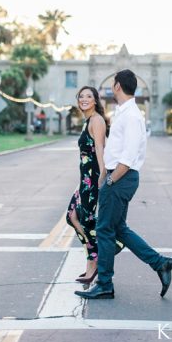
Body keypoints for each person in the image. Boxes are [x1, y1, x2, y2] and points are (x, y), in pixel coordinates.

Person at [75, 69, 172, 300]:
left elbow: (127, 158)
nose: (111, 86)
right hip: (120, 178)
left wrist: (110, 180)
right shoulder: (125, 112)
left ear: (118, 86)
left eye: (112, 83)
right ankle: (160, 264)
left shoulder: (131, 116)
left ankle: (105, 284)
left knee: (103, 229)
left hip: (120, 178)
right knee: (119, 228)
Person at [64, 86, 123, 283]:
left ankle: (94, 261)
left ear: (96, 100)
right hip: (85, 178)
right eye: (81, 96)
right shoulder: (88, 120)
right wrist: (81, 183)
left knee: (85, 220)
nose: (84, 99)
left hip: (94, 177)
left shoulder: (97, 120)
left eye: (89, 96)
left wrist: (102, 176)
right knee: (72, 216)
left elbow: (100, 148)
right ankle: (98, 254)